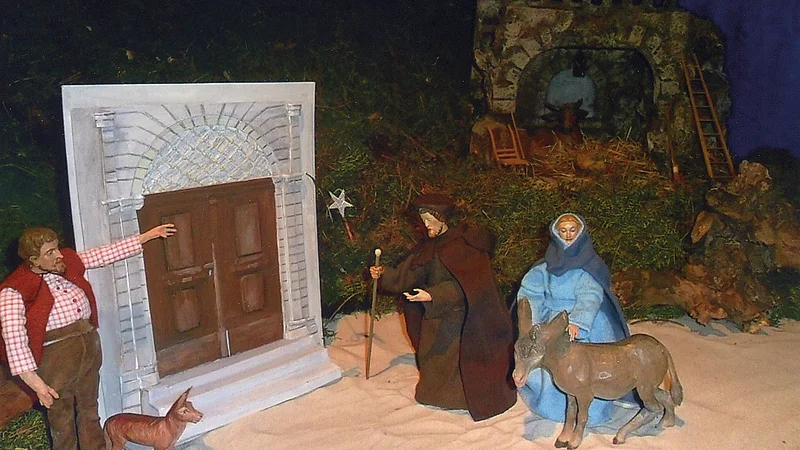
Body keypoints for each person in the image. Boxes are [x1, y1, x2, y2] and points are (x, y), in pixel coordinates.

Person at [0, 224, 176, 450]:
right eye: (50, 252)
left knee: (89, 409)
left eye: (57, 248)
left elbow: (102, 254)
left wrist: (147, 236)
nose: (59, 255)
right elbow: (15, 341)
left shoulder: (65, 264)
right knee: (61, 417)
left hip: (88, 350)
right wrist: (37, 385)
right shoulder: (14, 290)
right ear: (33, 260)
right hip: (56, 361)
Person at [369, 193, 517, 421]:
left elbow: (469, 285)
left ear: (442, 218)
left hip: (463, 323)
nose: (426, 225)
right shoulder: (429, 247)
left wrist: (432, 295)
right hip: (436, 317)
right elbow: (410, 274)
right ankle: (435, 395)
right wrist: (385, 274)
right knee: (433, 358)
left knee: (457, 363)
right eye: (423, 220)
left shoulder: (464, 247)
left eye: (430, 220)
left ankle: (460, 398)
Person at [516, 213, 630, 425]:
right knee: (548, 361)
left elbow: (590, 296)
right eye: (563, 230)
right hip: (553, 319)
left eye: (572, 230)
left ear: (581, 232)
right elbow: (531, 293)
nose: (568, 234)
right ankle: (551, 406)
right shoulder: (545, 267)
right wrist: (533, 322)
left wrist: (577, 321)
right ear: (556, 233)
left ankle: (593, 410)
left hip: (583, 321)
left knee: (591, 367)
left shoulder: (589, 266)